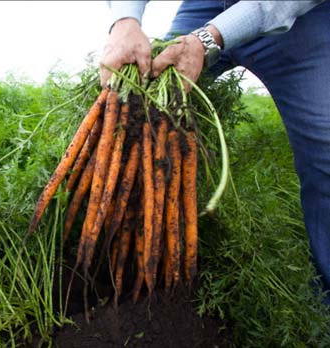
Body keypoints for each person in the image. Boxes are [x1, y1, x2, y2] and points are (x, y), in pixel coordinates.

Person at [100, 0, 330, 304]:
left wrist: (207, 40)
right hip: (207, 5)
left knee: (326, 153)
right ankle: (128, 262)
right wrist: (124, 20)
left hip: (300, 16)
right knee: (143, 116)